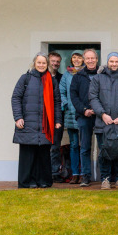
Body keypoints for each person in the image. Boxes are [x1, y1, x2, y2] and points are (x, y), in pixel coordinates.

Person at [88, 52, 118, 189]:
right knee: (104, 151)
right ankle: (105, 179)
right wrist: (102, 114)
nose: (114, 64)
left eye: (117, 61)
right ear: (107, 62)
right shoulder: (98, 78)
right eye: (111, 61)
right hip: (103, 124)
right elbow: (93, 98)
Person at [11, 53, 61, 188]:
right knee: (28, 154)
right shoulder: (25, 79)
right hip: (27, 123)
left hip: (46, 124)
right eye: (39, 62)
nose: (41, 65)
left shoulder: (52, 80)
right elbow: (16, 98)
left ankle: (43, 181)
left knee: (43, 154)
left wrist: (57, 120)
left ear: (47, 64)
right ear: (34, 63)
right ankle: (27, 182)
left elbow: (57, 101)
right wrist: (18, 117)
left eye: (44, 63)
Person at [70, 49, 100, 186]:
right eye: (87, 58)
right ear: (84, 60)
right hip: (84, 116)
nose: (90, 61)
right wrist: (84, 110)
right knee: (85, 147)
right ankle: (85, 176)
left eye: (92, 58)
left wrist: (100, 111)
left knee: (104, 146)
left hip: (101, 116)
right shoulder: (78, 76)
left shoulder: (103, 75)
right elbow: (73, 96)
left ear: (97, 59)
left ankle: (105, 175)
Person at [58, 51, 82, 183]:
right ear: (71, 60)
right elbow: (61, 91)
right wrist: (65, 103)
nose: (77, 60)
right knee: (73, 145)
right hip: (70, 114)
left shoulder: (86, 73)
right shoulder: (66, 75)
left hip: (84, 114)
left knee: (85, 145)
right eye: (74, 57)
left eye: (79, 57)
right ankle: (75, 173)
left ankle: (84, 173)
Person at [46, 51, 68, 181]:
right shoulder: (42, 77)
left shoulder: (62, 78)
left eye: (57, 61)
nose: (55, 63)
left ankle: (54, 173)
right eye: (53, 61)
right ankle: (43, 172)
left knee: (55, 146)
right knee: (42, 146)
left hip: (58, 118)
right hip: (43, 117)